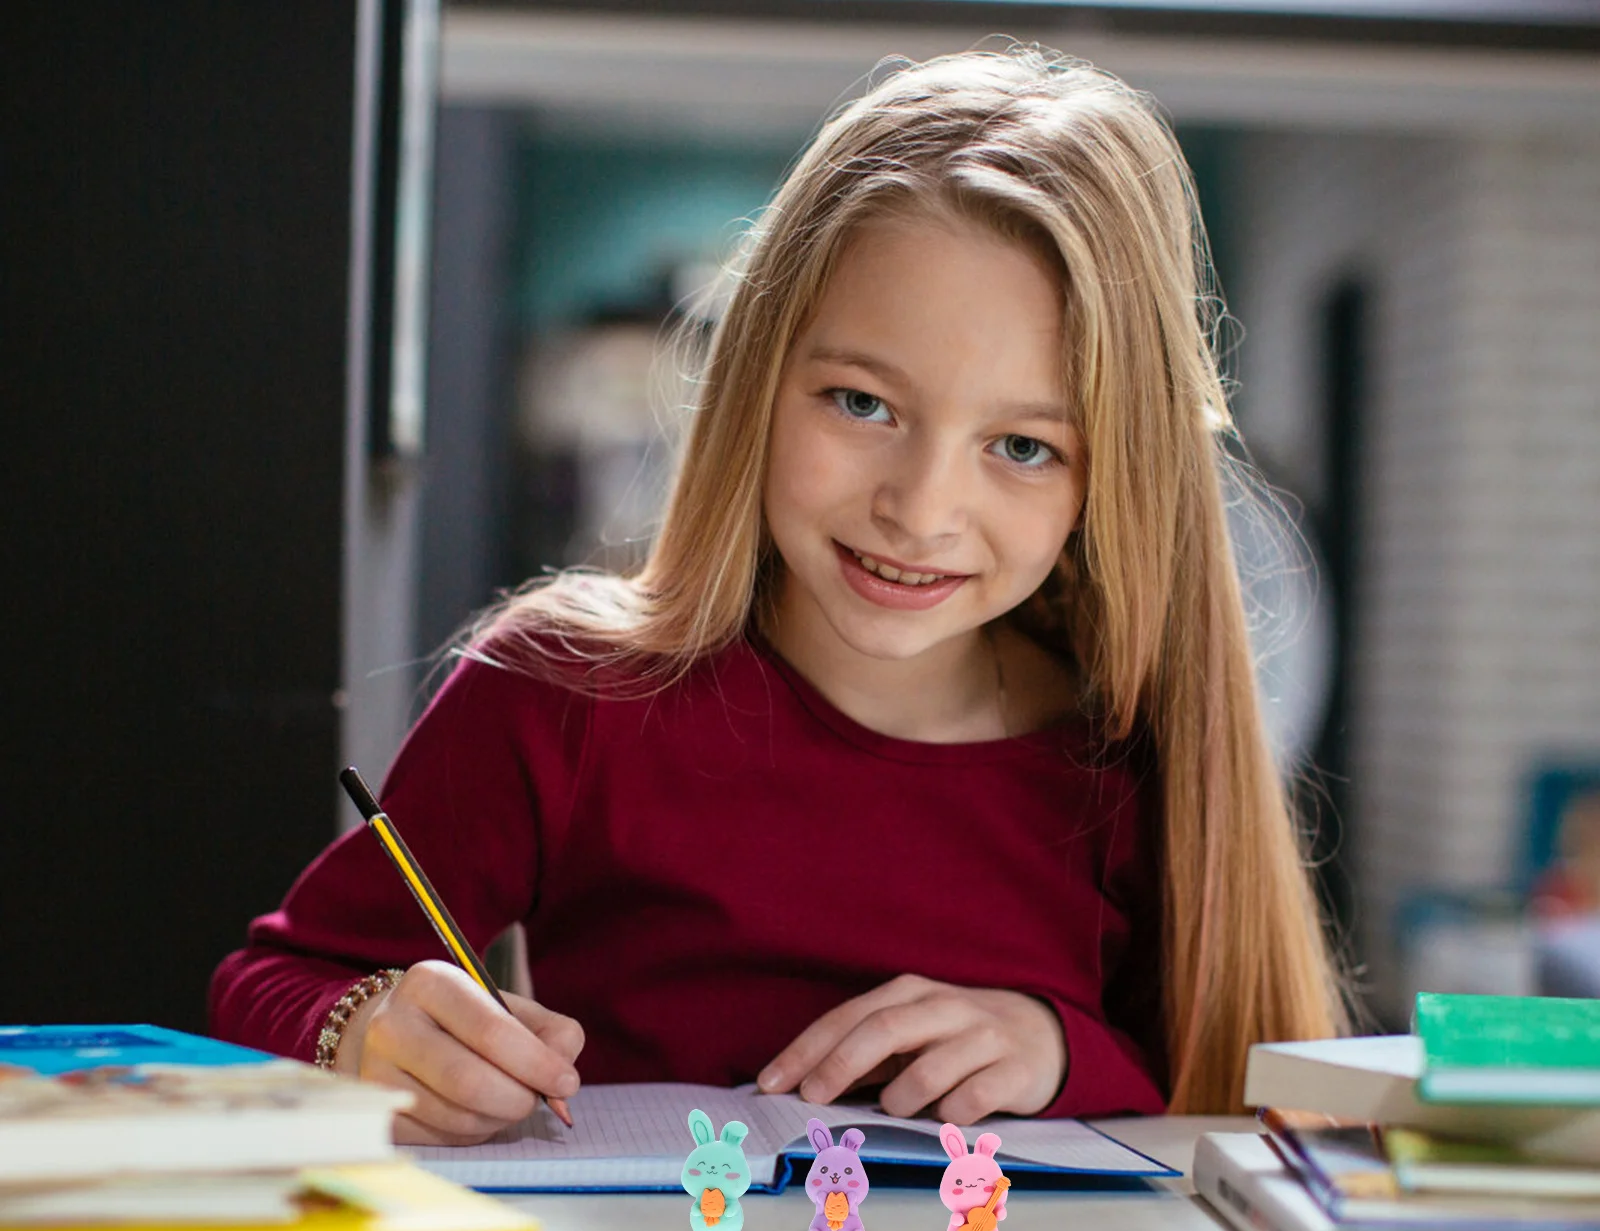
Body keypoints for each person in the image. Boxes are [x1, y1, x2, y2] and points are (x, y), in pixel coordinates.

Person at [209, 49, 1345, 1145]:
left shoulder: (1128, 751)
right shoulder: (557, 691)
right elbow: (271, 981)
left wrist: (1060, 1052)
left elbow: (1235, 1100)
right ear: (757, 381)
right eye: (860, 403)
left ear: (1113, 478)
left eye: (1021, 445)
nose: (921, 507)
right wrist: (363, 1033)